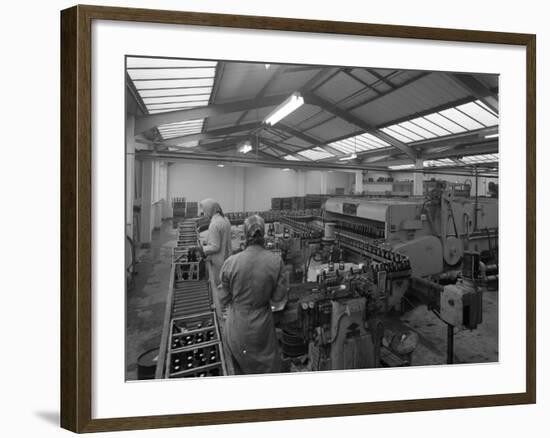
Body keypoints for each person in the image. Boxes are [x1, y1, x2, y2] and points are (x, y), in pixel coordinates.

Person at [219, 215, 288, 374]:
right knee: (265, 370)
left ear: (244, 234)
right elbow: (278, 299)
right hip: (262, 328)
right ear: (263, 234)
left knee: (239, 369)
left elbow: (223, 296)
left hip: (237, 326)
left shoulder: (231, 262)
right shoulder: (275, 261)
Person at [199, 198, 232, 290]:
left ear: (210, 210)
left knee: (216, 286)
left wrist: (201, 249)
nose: (204, 214)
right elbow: (222, 238)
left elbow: (215, 247)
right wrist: (208, 241)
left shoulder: (214, 224)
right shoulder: (225, 219)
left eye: (205, 211)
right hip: (227, 257)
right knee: (226, 284)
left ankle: (216, 303)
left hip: (218, 262)